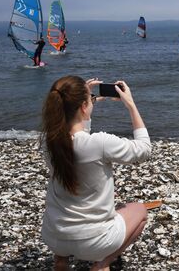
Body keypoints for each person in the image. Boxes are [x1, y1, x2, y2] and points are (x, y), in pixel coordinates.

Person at [40, 76, 151, 270]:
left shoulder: (48, 142)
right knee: (140, 211)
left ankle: (61, 260)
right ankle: (102, 263)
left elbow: (78, 140)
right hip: (94, 242)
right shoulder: (99, 143)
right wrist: (131, 105)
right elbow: (143, 149)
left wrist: (85, 107)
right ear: (83, 106)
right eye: (89, 100)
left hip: (54, 236)